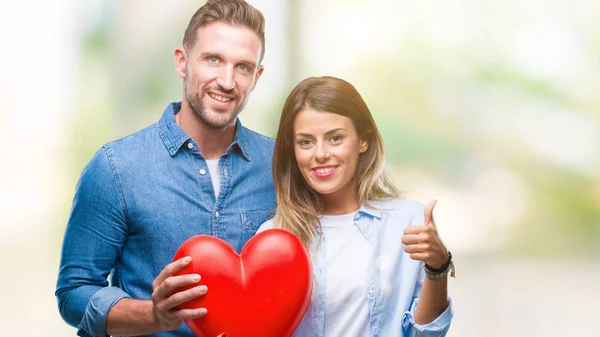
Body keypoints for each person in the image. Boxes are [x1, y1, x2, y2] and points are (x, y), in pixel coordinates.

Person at [55, 1, 276, 336]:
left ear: (256, 77)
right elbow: (74, 293)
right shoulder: (116, 168)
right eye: (213, 59)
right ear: (182, 61)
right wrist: (151, 315)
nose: (227, 81)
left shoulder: (279, 166)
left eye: (243, 67)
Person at [258, 76, 454, 337]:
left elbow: (427, 334)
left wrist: (437, 268)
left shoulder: (410, 222)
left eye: (335, 138)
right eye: (305, 142)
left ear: (363, 140)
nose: (320, 154)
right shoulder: (272, 237)